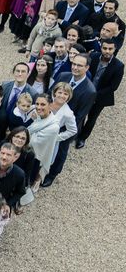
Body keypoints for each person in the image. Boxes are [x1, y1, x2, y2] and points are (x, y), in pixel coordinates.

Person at [43, 53, 97, 187]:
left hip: (66, 126)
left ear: (87, 68)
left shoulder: (90, 91)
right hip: (49, 117)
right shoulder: (63, 76)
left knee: (61, 151)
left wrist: (59, 131)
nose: (75, 67)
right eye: (74, 64)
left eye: (79, 65)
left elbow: (80, 116)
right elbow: (51, 92)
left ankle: (52, 174)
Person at [76, 40, 124, 148]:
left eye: (110, 49)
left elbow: (113, 87)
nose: (107, 51)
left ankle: (82, 138)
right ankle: (77, 133)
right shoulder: (93, 56)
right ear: (101, 48)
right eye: (105, 48)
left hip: (100, 97)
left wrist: (94, 95)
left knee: (92, 118)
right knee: (81, 114)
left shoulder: (119, 66)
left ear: (115, 49)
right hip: (85, 92)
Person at [27, 94, 60, 187]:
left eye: (42, 104)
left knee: (27, 181)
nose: (38, 107)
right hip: (27, 153)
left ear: (50, 105)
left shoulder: (54, 127)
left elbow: (34, 142)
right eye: (37, 104)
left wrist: (25, 134)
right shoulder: (38, 116)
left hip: (35, 158)